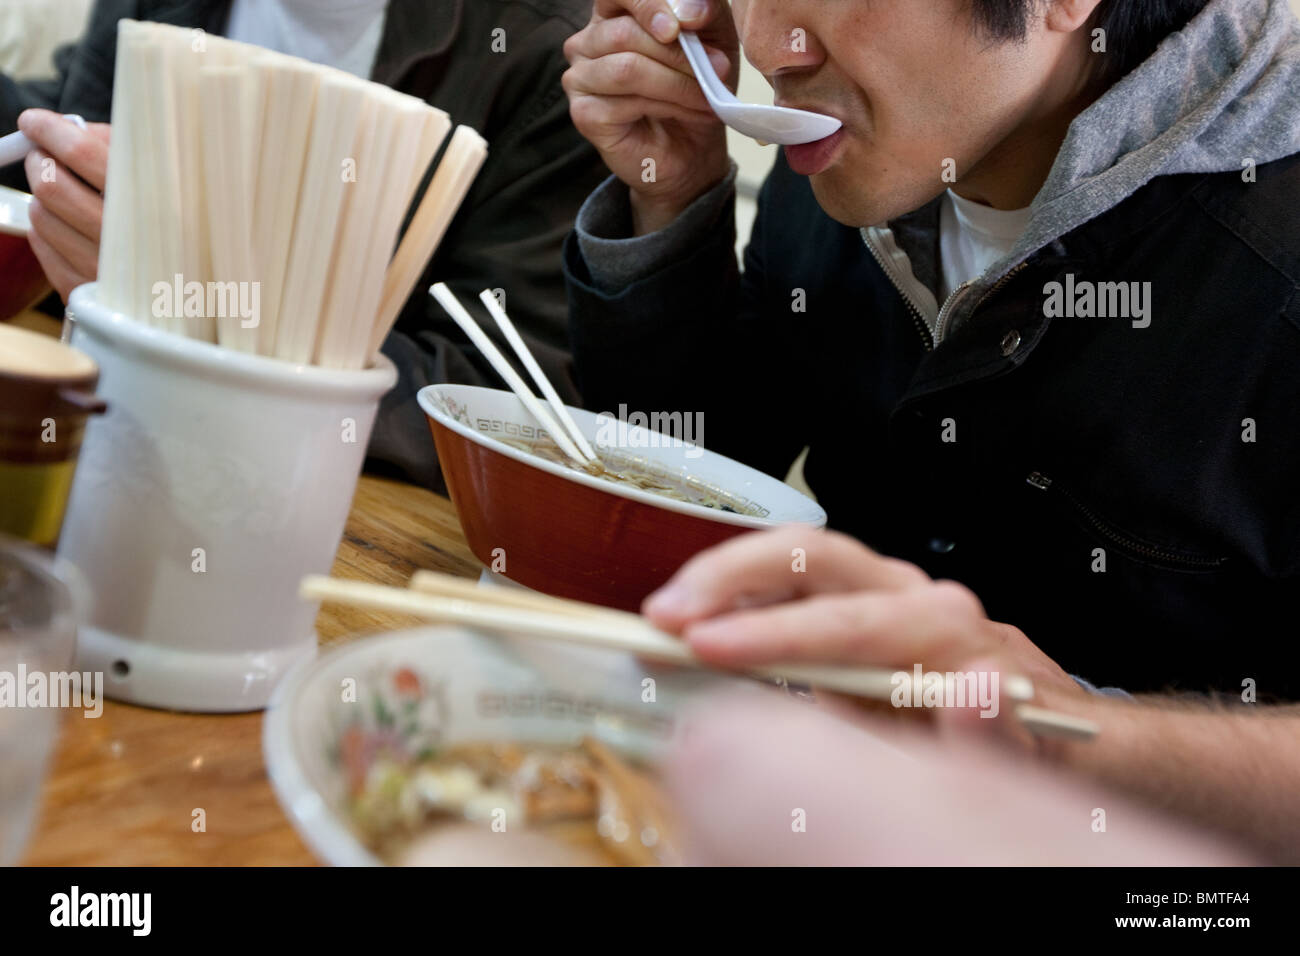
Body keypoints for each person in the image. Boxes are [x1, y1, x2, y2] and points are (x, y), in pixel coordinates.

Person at [560, 0, 1300, 699]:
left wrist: (1080, 730)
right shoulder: (856, 161)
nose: (764, 48)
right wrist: (671, 193)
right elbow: (704, 476)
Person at [1, 0, 608, 490]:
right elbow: (72, 162)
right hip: (99, 443)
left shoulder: (548, 53)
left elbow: (503, 399)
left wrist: (204, 306)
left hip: (311, 507)